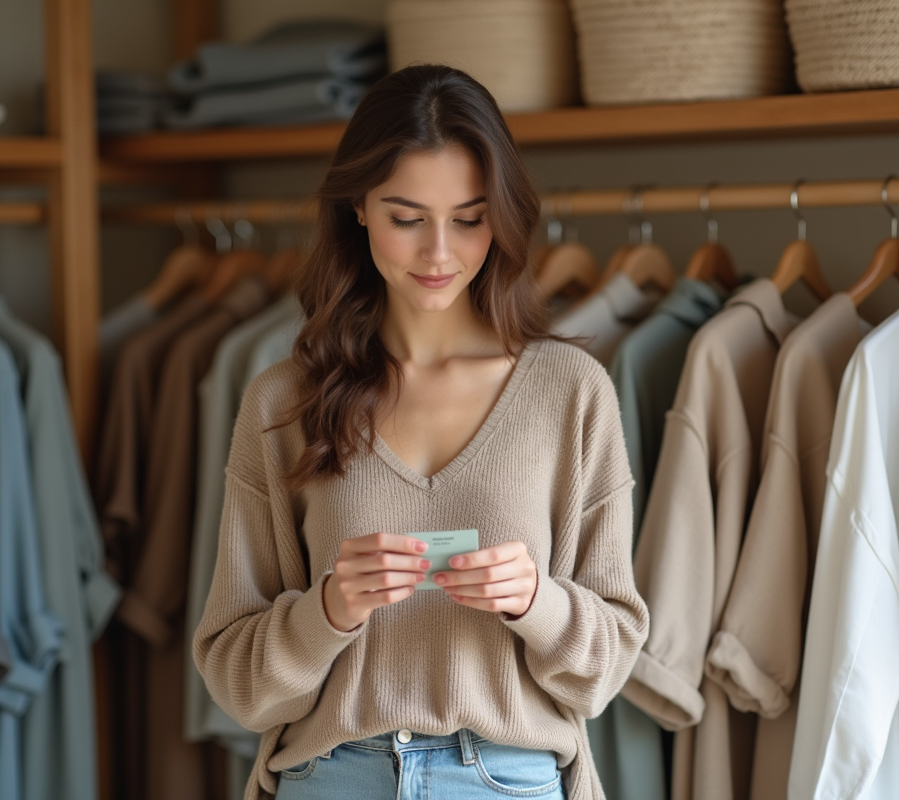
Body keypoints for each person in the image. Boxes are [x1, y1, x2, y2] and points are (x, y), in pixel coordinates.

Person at [193, 63, 648, 800]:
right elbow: (237, 683)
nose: (440, 253)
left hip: (507, 778)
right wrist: (328, 611)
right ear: (359, 209)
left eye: (469, 218)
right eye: (408, 218)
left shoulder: (571, 394)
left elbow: (607, 666)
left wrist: (537, 602)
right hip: (332, 777)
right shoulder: (283, 401)